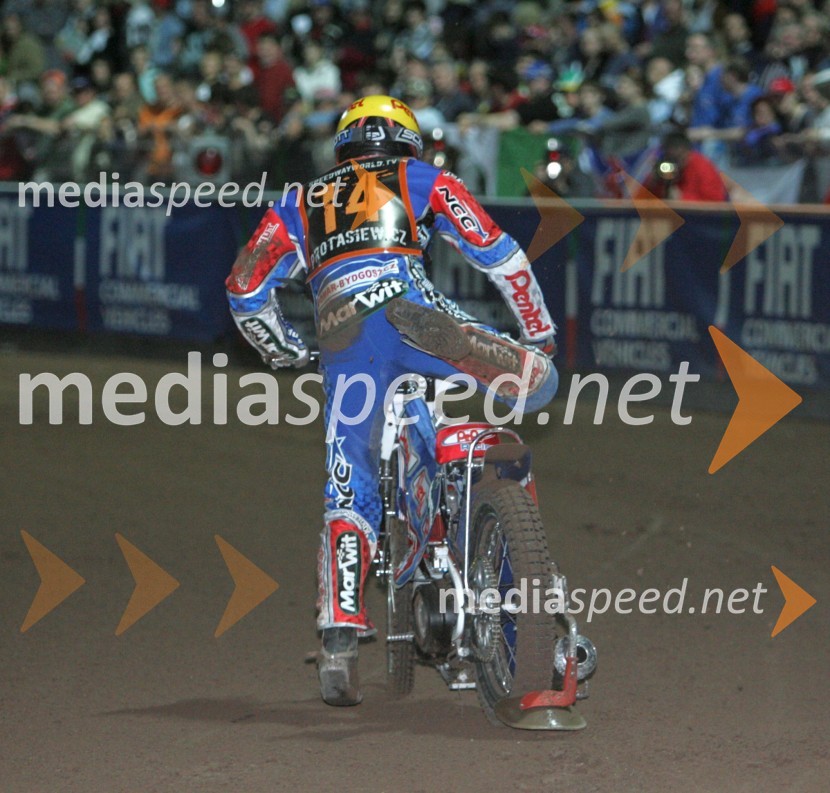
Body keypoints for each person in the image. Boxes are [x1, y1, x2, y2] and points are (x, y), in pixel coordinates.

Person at [224, 95, 558, 707]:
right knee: (539, 380)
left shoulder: (298, 201)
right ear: (408, 140)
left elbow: (244, 289)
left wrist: (288, 351)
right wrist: (538, 329)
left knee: (347, 485)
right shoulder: (420, 177)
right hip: (412, 311)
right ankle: (506, 386)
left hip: (344, 341)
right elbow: (499, 252)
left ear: (342, 145)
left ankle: (339, 636)